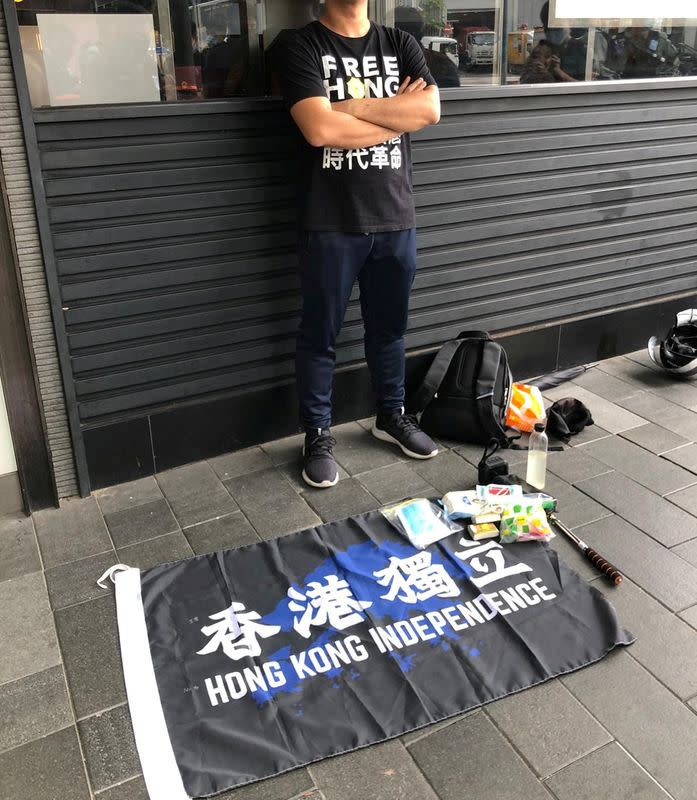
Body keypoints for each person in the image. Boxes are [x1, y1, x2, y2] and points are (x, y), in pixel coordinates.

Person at [274, 0, 441, 488]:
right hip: (329, 219)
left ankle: (391, 415)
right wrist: (392, 114)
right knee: (320, 334)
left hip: (395, 215)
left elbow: (429, 108)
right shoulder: (299, 45)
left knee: (389, 329)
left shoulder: (400, 43)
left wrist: (350, 108)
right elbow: (318, 128)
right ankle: (317, 433)